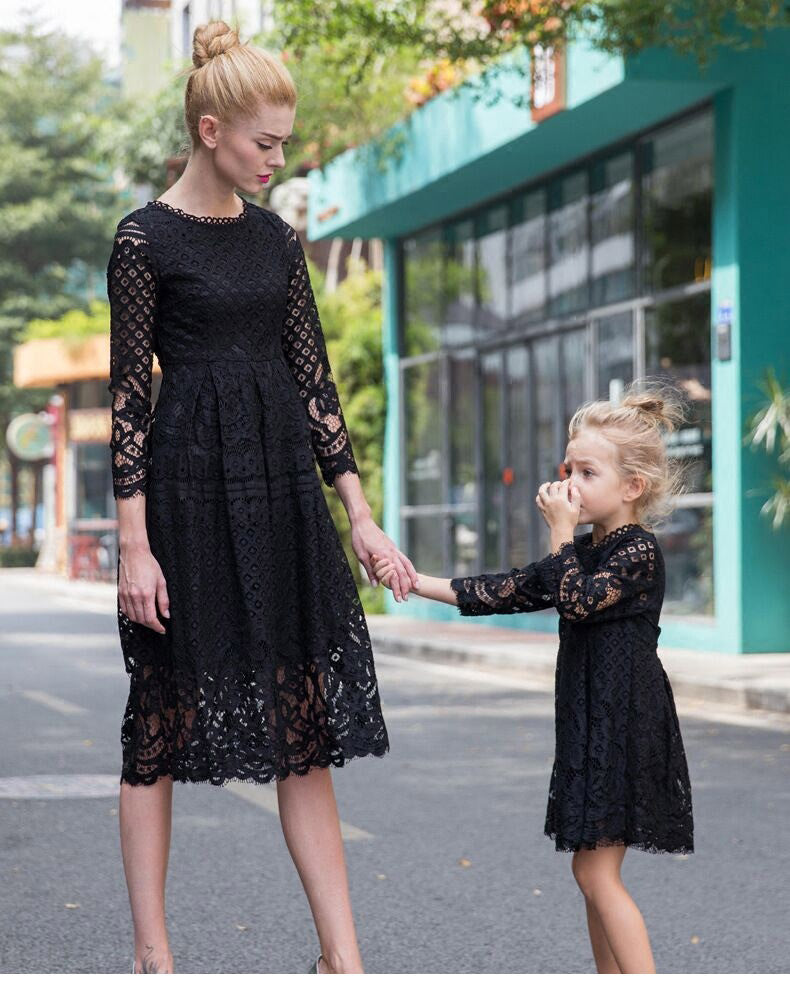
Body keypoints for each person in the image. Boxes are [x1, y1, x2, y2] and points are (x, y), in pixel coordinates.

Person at [107, 20, 417, 975]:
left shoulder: (281, 242)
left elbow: (314, 381)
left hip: (282, 490)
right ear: (210, 129)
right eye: (264, 143)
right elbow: (128, 396)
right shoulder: (141, 240)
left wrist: (358, 511)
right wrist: (134, 543)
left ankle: (343, 958)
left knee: (303, 723)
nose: (278, 160)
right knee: (157, 720)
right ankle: (155, 955)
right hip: (187, 496)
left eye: (283, 143)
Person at [372, 383, 694, 974]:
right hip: (590, 721)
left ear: (632, 488)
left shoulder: (637, 552)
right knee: (588, 870)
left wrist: (559, 535)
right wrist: (412, 580)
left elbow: (577, 602)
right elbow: (504, 590)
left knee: (596, 871)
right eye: (568, 468)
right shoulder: (583, 553)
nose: (570, 483)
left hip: (625, 721)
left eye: (588, 473)